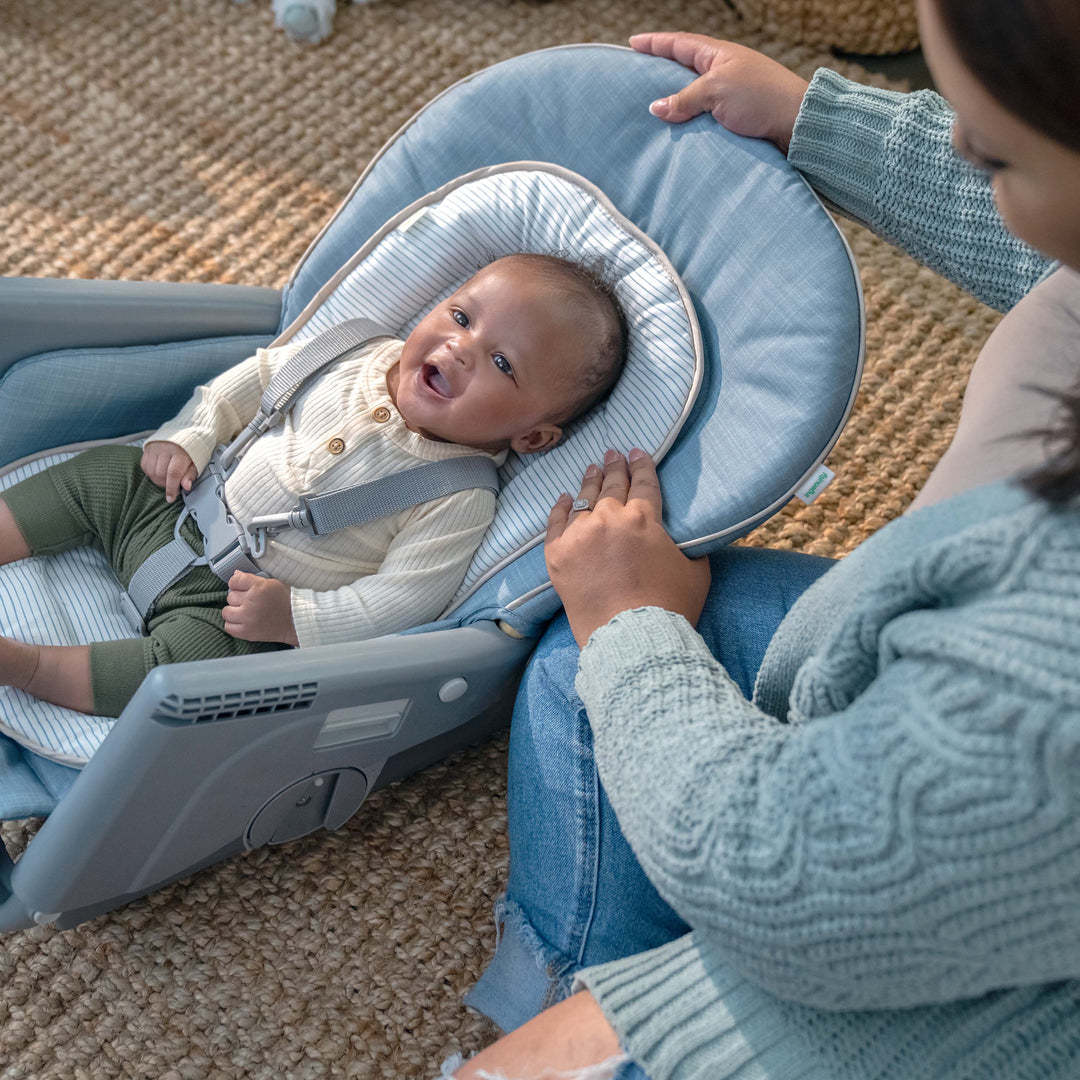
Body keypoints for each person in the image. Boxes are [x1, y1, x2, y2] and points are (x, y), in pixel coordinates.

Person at [450, 2, 1080, 1078]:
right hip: (905, 681)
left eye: (992, 149)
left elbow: (785, 880)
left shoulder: (1046, 677)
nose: (965, 152)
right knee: (577, 664)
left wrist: (636, 624)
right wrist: (816, 121)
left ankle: (569, 1006)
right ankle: (569, 977)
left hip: (952, 974)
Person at [0, 252, 628, 721]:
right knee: (104, 472)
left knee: (199, 676)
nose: (460, 347)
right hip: (173, 502)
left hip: (232, 608)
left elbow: (403, 601)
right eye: (461, 317)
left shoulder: (460, 496)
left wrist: (297, 618)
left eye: (501, 363)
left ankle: (29, 667)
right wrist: (189, 433)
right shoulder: (356, 350)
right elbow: (254, 381)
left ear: (534, 438)